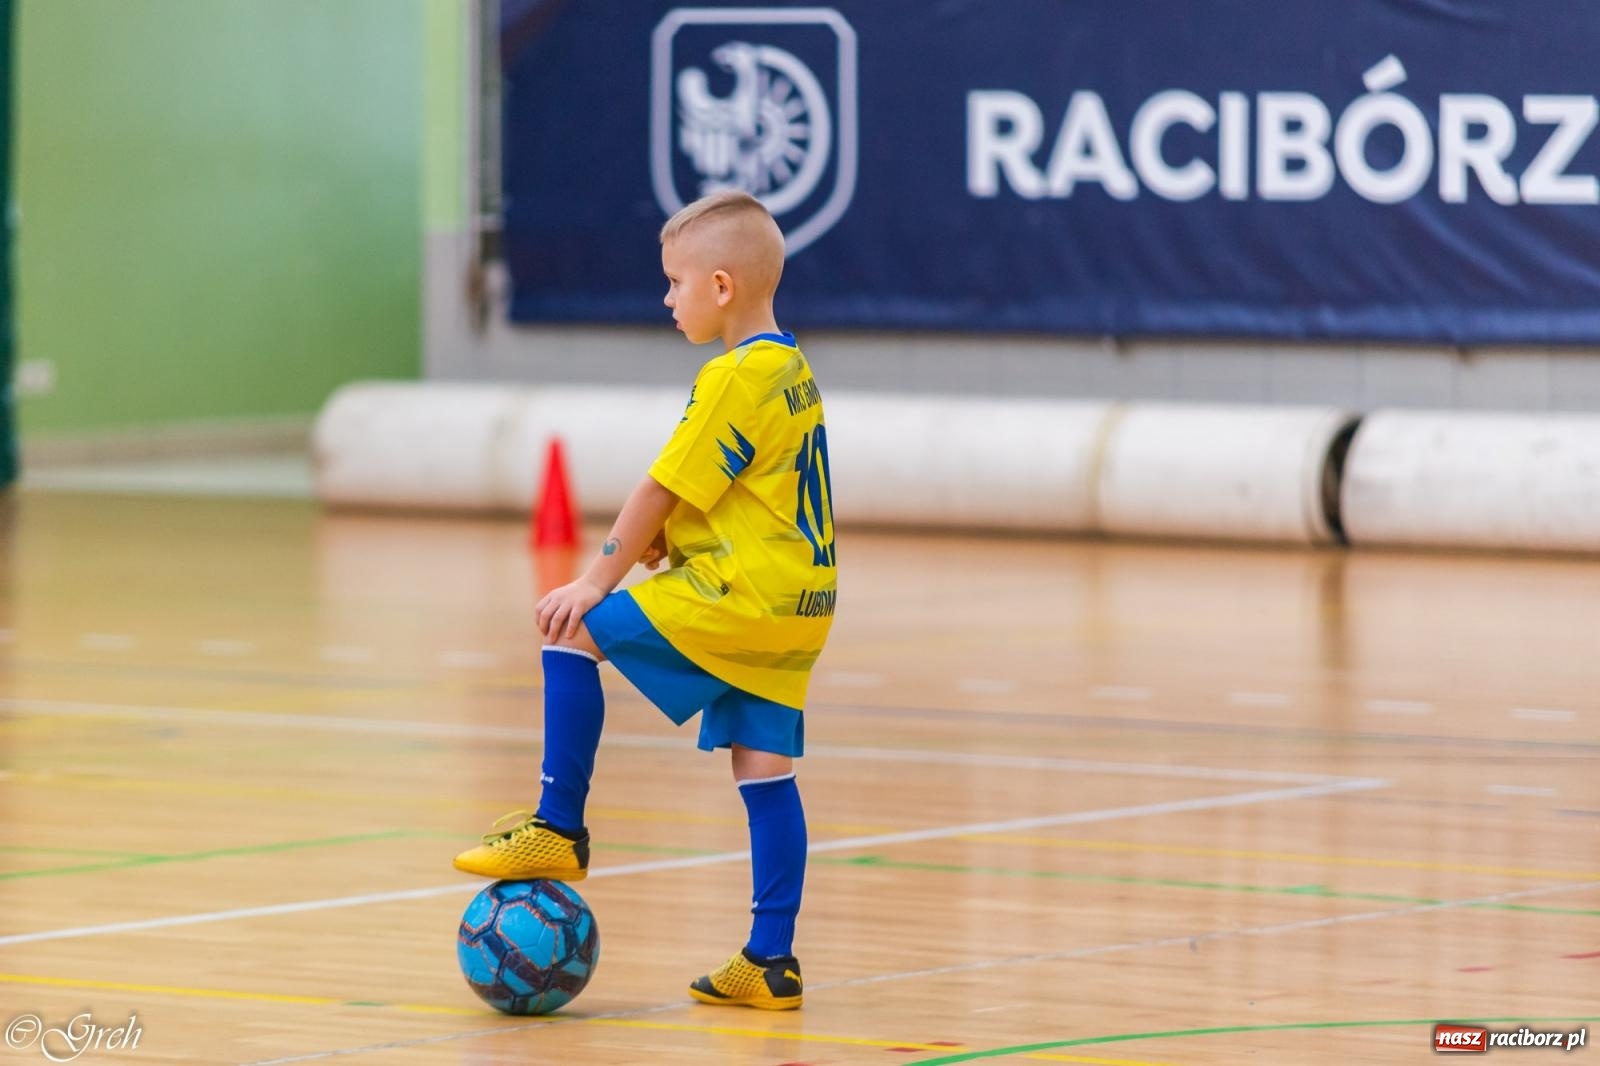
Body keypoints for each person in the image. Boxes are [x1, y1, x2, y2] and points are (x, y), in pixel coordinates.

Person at [453, 189, 837, 1011]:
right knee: (764, 768)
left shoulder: (732, 375)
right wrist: (675, 542)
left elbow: (661, 486)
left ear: (722, 287)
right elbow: (741, 495)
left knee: (575, 629)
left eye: (675, 282)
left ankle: (558, 829)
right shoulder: (791, 367)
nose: (667, 298)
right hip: (799, 604)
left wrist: (597, 577)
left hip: (739, 595)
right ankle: (771, 961)